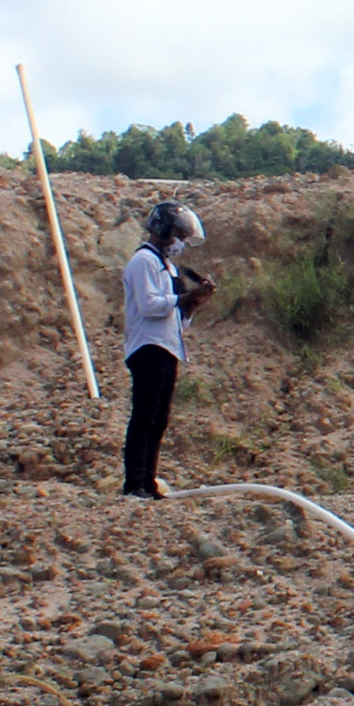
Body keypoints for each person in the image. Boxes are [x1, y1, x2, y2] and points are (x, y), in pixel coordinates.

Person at [119, 199, 210, 498]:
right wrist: (183, 299)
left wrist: (194, 302)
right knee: (144, 416)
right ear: (163, 230)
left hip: (167, 347)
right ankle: (134, 483)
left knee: (159, 417)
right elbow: (149, 306)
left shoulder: (166, 266)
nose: (180, 242)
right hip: (148, 347)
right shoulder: (144, 262)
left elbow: (177, 319)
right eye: (178, 235)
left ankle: (149, 481)